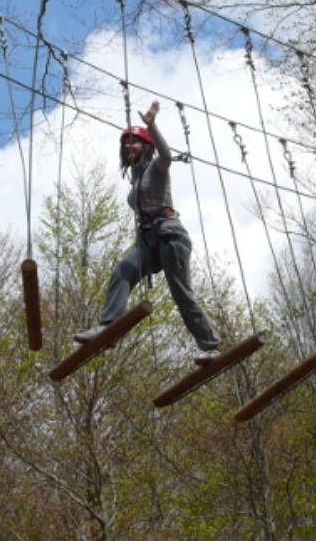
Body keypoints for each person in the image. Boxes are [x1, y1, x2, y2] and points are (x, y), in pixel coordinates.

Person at [74, 101, 221, 364]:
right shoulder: (136, 179)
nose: (129, 147)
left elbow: (165, 155)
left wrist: (152, 125)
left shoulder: (156, 167)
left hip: (169, 235)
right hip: (146, 240)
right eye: (125, 144)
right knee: (122, 271)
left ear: (146, 146)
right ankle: (108, 327)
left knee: (181, 292)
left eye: (135, 142)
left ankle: (211, 346)